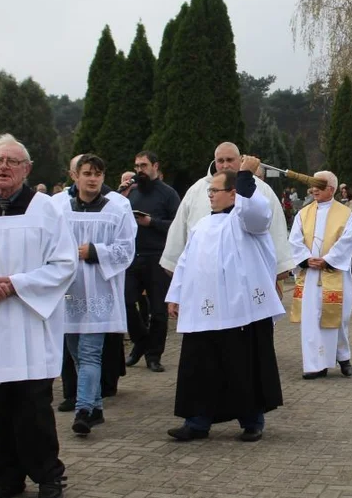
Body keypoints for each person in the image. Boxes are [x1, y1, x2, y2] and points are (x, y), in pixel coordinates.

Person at [0, 134, 75, 498]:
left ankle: (48, 476)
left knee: (34, 406)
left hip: (30, 323)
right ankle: (6, 477)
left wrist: (17, 284)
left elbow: (64, 264)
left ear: (26, 168)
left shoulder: (47, 210)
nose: (3, 167)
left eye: (11, 161)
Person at [164, 157, 284, 442]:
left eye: (215, 191)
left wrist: (244, 176)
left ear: (233, 193)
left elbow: (256, 213)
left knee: (242, 366)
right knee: (200, 367)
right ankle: (197, 422)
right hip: (204, 311)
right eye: (209, 191)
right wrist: (176, 295)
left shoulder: (248, 221)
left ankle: (252, 420)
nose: (210, 196)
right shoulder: (202, 226)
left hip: (240, 310)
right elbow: (185, 262)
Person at [160, 142, 294, 305]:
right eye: (220, 160)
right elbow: (181, 236)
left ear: (240, 159)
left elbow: (275, 232)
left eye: (230, 160)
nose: (225, 165)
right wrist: (177, 289)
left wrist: (278, 270)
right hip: (205, 285)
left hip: (248, 283)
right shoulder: (196, 191)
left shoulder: (261, 190)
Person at [60, 154, 135, 435]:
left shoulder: (116, 209)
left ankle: (83, 410)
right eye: (87, 173)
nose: (92, 179)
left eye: (98, 174)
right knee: (76, 352)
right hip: (69, 291)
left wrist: (94, 251)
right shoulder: (60, 209)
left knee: (91, 353)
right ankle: (96, 407)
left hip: (100, 290)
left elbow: (126, 249)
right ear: (75, 176)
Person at [289, 170, 352, 379]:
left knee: (336, 317)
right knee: (312, 319)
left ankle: (343, 357)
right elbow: (294, 240)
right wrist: (306, 259)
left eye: (320, 185)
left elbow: (347, 241)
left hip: (333, 272)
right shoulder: (303, 213)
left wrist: (327, 259)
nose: (314, 189)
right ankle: (315, 365)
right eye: (313, 185)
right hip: (310, 274)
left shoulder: (345, 214)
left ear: (332, 189)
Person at [120, 151, 180, 371]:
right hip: (132, 257)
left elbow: (176, 225)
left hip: (157, 257)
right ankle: (141, 342)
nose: (139, 170)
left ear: (155, 166)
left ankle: (153, 355)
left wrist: (151, 222)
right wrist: (123, 195)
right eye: (136, 166)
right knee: (126, 302)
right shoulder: (131, 193)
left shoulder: (168, 194)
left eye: (143, 165)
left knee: (158, 311)